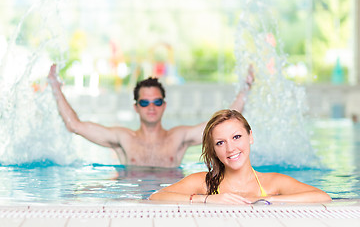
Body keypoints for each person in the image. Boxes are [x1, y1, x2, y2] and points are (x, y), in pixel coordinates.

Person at [47, 64, 253, 168]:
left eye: (156, 102)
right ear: (136, 107)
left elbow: (223, 125)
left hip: (171, 202)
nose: (151, 107)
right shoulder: (122, 138)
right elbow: (74, 125)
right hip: (131, 201)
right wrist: (56, 88)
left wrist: (245, 89)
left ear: (164, 105)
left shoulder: (179, 137)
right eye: (145, 102)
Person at [149, 109, 332, 204]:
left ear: (250, 136)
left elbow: (322, 197)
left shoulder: (272, 183)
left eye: (236, 137)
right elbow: (156, 197)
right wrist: (208, 199)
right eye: (220, 143)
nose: (231, 148)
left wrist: (266, 200)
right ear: (214, 150)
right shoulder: (203, 183)